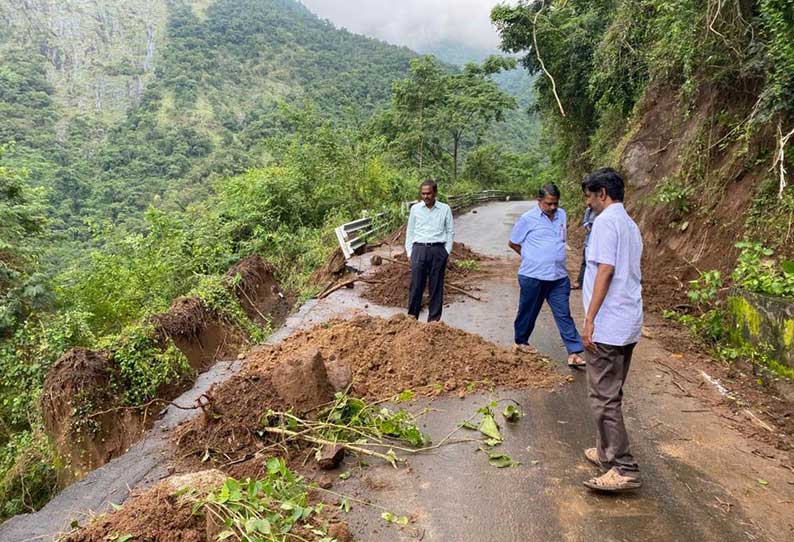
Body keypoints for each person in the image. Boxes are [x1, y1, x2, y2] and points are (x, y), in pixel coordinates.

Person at [580, 168, 644, 492]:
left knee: (604, 398)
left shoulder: (605, 223)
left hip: (608, 325)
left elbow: (605, 270)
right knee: (611, 393)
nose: (589, 203)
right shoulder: (630, 225)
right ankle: (606, 450)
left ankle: (624, 467)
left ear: (602, 193)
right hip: (628, 322)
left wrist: (589, 319)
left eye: (590, 197)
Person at [508, 183, 586, 367]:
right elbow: (513, 242)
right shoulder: (527, 219)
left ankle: (574, 352)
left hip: (558, 276)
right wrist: (531, 257)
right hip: (533, 276)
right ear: (539, 201)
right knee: (528, 311)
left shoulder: (562, 215)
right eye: (548, 204)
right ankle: (521, 342)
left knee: (563, 313)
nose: (552, 207)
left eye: (555, 204)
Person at [405, 179, 454, 322]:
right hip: (419, 249)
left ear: (435, 193)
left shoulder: (445, 209)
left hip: (438, 250)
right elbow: (410, 231)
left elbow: (450, 232)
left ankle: (433, 321)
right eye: (423, 194)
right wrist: (409, 252)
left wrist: (446, 252)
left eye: (429, 193)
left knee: (436, 287)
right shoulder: (415, 209)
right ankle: (411, 319)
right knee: (416, 286)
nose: (426, 196)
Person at [572, 207, 595, 290]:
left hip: (599, 242)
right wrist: (589, 227)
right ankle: (580, 282)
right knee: (585, 262)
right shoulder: (589, 210)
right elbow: (585, 222)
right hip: (589, 240)